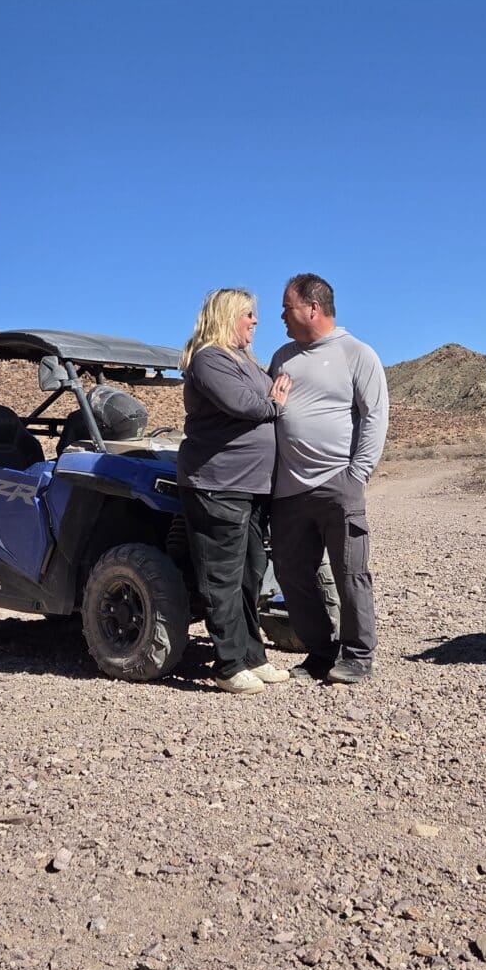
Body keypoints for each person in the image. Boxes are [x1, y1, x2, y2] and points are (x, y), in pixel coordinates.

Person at [269, 273, 389, 683]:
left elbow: (374, 417)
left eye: (288, 307)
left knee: (349, 571)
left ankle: (357, 656)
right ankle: (320, 653)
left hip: (338, 483)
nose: (281, 316)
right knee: (291, 574)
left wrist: (358, 474)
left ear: (313, 308)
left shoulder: (356, 354)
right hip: (287, 490)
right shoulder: (282, 356)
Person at [178, 288, 292, 694]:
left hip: (251, 487)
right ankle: (227, 666)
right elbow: (244, 404)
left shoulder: (242, 359)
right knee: (221, 577)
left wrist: (271, 397)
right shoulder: (209, 358)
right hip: (217, 484)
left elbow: (262, 395)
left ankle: (252, 657)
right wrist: (274, 402)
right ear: (227, 316)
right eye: (248, 314)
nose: (255, 322)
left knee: (250, 574)